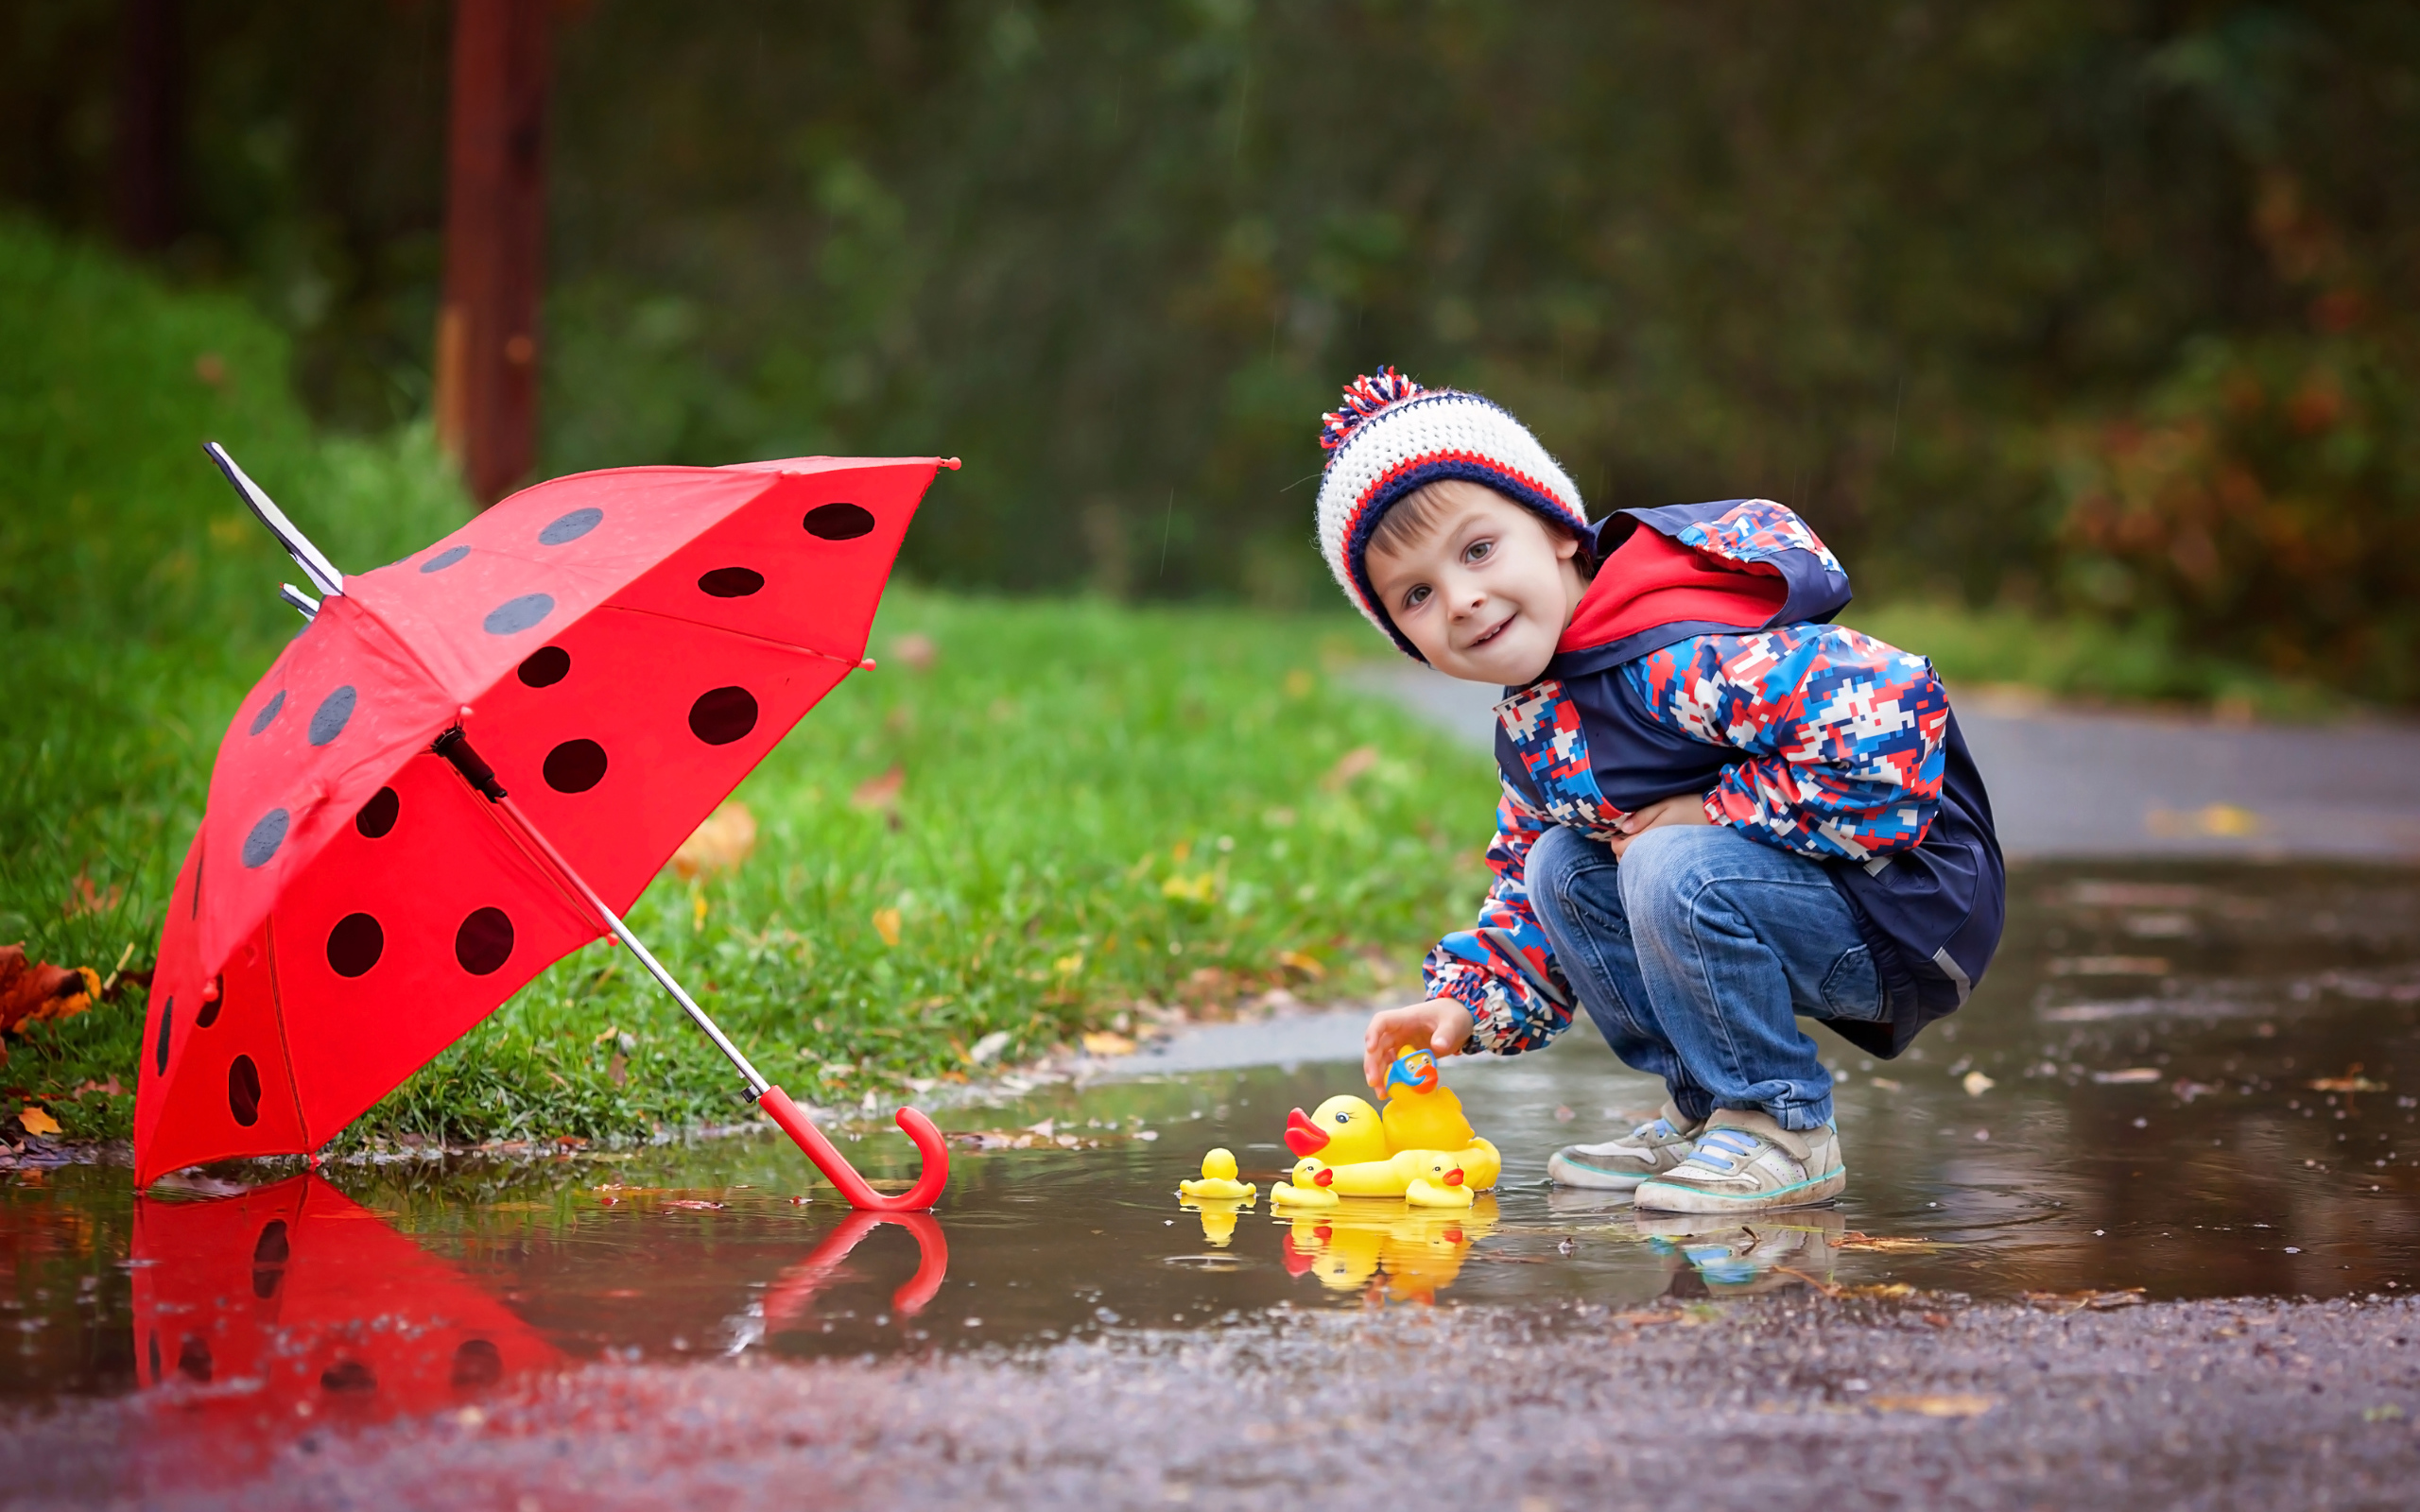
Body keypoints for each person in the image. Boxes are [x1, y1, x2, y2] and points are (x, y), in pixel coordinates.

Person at [1313, 369, 2003, 1213]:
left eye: (1479, 549)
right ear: (1405, 638)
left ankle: (1782, 1126)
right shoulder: (1539, 722)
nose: (1461, 599)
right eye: (1416, 595)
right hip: (1785, 895)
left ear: (1559, 531)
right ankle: (1710, 1113)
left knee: (1667, 859)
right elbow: (1530, 893)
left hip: (1904, 908)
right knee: (1562, 863)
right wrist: (1464, 1005)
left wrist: (1715, 811)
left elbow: (1896, 714)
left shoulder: (1677, 651)